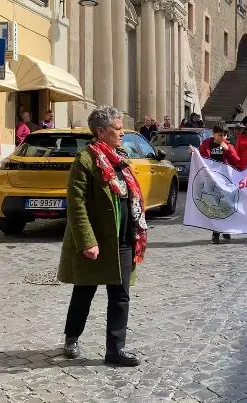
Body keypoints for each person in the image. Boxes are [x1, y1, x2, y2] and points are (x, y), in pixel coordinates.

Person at [57, 106, 148, 367]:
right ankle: (72, 337)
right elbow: (76, 204)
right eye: (117, 129)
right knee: (84, 292)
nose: (122, 133)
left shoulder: (120, 158)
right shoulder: (86, 160)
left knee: (121, 295)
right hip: (97, 242)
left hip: (122, 239)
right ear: (100, 132)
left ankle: (115, 350)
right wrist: (87, 241)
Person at [197, 122, 240, 244]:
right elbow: (201, 158)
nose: (222, 137)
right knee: (214, 204)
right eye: (220, 135)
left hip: (224, 179)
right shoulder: (206, 144)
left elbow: (236, 161)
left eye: (225, 135)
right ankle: (215, 232)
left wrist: (228, 151)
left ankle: (225, 228)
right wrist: (194, 152)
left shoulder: (228, 146)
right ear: (214, 134)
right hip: (211, 178)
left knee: (225, 203)